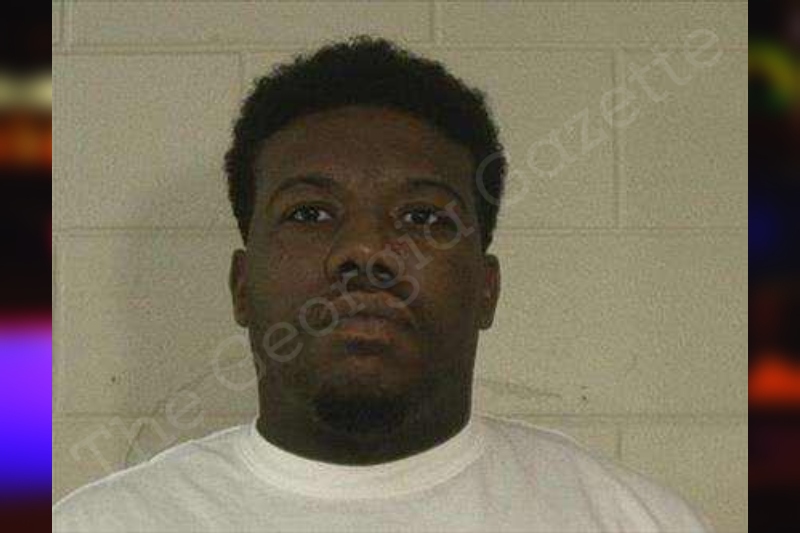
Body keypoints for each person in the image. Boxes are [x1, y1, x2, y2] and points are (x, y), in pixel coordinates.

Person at [53, 36, 714, 532]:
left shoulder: (633, 521)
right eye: (310, 214)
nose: (366, 251)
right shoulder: (106, 523)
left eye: (422, 218)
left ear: (487, 288)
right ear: (241, 284)